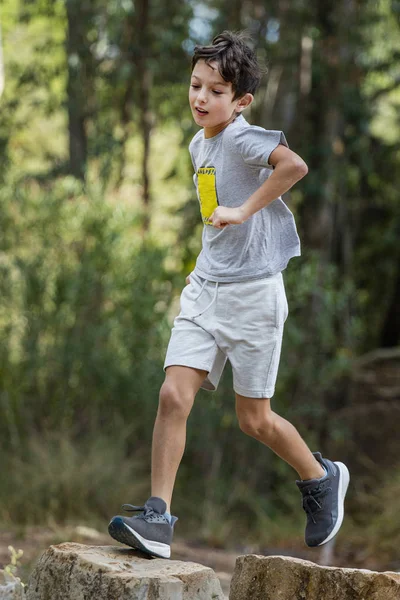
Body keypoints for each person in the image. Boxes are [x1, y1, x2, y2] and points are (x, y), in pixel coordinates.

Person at [108, 30, 350, 559]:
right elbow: (214, 218)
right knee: (173, 395)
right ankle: (158, 518)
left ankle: (320, 477)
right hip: (207, 289)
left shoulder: (242, 137)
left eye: (216, 91)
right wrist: (202, 268)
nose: (200, 98)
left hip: (255, 297)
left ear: (240, 101)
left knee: (254, 420)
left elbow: (294, 166)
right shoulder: (199, 143)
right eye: (196, 85)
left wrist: (244, 210)